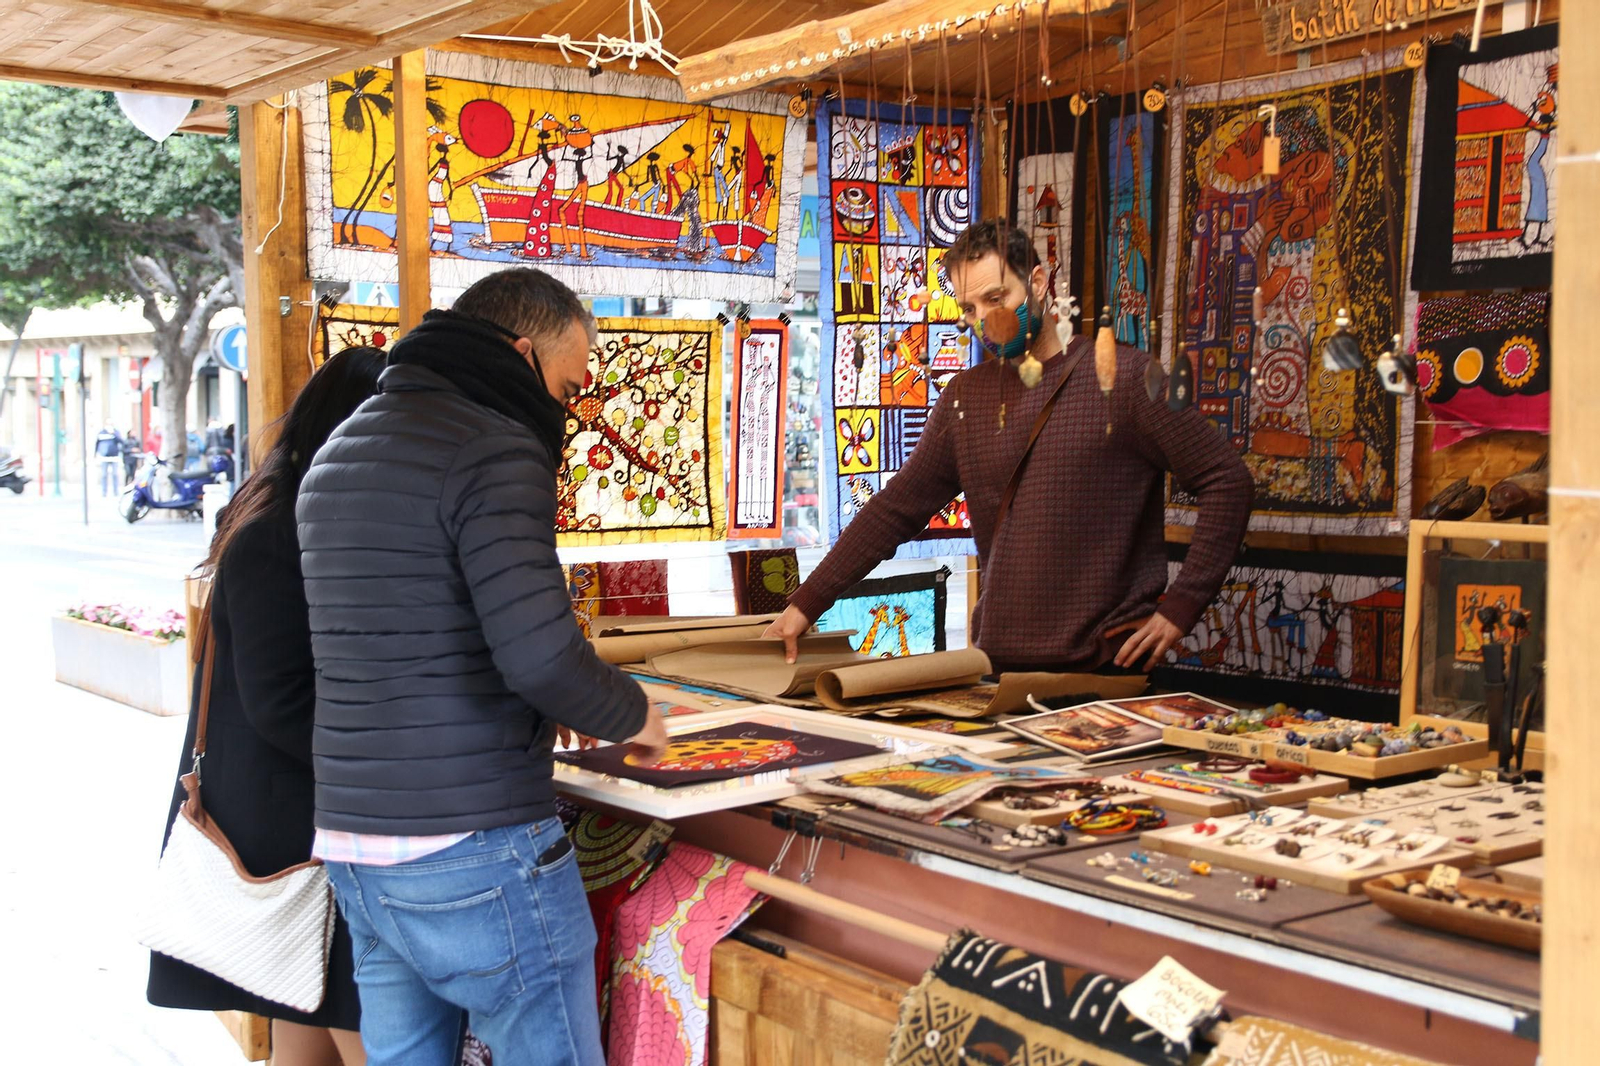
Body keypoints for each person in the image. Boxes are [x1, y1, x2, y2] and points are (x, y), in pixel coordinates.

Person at [296, 267, 667, 1066]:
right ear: (523, 354)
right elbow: (540, 654)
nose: (567, 412)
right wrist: (637, 716)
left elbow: (413, 629)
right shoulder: (494, 445)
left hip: (359, 848)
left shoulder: (341, 449)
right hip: (473, 847)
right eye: (568, 390)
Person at [767, 221, 1253, 674]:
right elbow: (894, 510)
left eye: (997, 297)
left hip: (1107, 673)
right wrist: (804, 606)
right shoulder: (965, 398)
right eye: (970, 309)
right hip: (998, 671)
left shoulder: (1122, 377)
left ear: (1038, 283)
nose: (986, 320)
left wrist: (1180, 608)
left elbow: (1226, 481)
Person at [147, 347, 387, 1066]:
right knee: (360, 1021)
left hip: (298, 813)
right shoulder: (276, 530)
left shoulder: (297, 513)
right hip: (291, 825)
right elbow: (283, 702)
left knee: (303, 1018)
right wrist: (399, 754)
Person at [94, 421, 123, 496]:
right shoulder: (101, 433)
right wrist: (95, 454)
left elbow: (121, 441)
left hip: (114, 456)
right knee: (104, 475)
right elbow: (97, 444)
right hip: (104, 457)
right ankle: (104, 492)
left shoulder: (116, 432)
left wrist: (114, 434)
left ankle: (115, 491)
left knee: (115, 474)